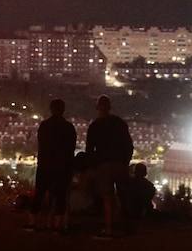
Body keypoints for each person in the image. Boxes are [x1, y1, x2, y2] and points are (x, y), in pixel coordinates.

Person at [85, 95, 133, 238]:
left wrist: (92, 165)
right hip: (120, 164)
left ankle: (109, 228)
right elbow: (129, 145)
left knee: (107, 198)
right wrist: (125, 162)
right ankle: (125, 227)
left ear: (98, 108)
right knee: (123, 197)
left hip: (104, 165)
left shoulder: (94, 126)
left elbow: (89, 149)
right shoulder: (119, 123)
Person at [30, 98, 77, 232]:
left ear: (51, 109)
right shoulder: (69, 127)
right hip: (63, 166)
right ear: (63, 110)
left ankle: (33, 222)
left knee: (40, 193)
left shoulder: (44, 125)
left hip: (45, 164)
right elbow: (71, 147)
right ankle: (57, 224)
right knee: (61, 195)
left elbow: (41, 144)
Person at [121, 163, 157, 230]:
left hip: (131, 210)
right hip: (144, 210)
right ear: (145, 173)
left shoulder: (129, 183)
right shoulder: (149, 186)